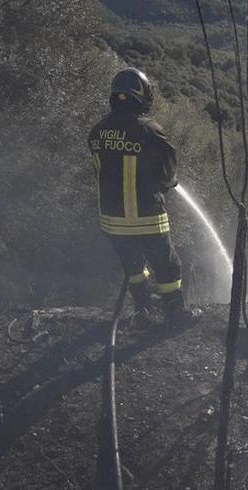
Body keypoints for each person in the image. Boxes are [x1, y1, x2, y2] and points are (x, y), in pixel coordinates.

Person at [88, 68, 198, 328]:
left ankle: (142, 311)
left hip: (112, 221)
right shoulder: (149, 130)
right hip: (147, 217)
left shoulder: (97, 132)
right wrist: (165, 183)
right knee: (167, 266)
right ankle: (175, 313)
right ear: (143, 96)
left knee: (134, 267)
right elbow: (167, 172)